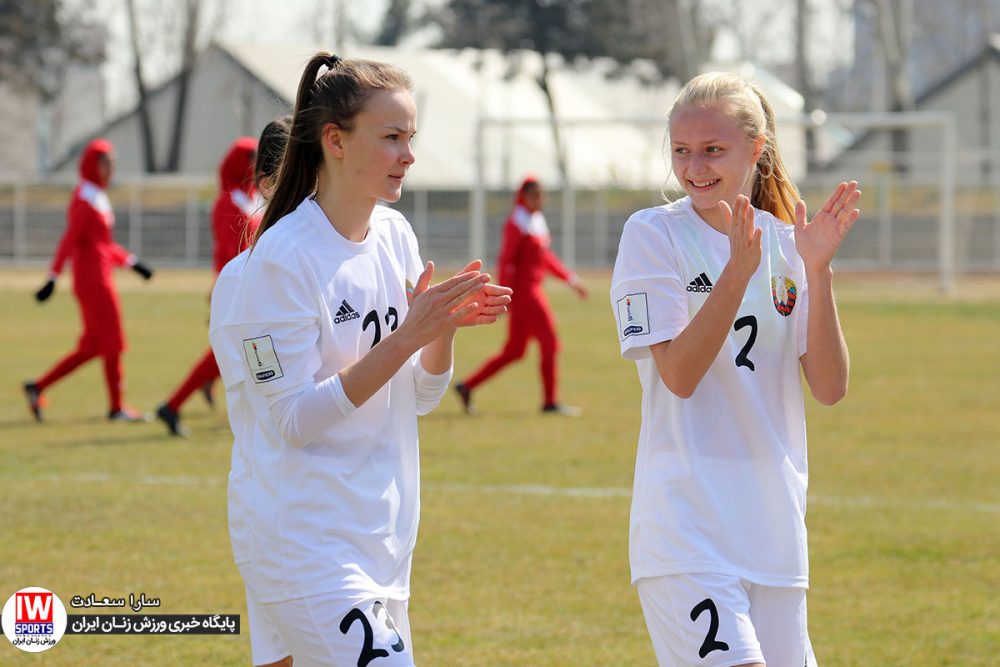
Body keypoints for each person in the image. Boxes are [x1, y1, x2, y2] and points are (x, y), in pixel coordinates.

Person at [209, 53, 511, 666]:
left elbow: (422, 397)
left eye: (411, 138)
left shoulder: (395, 237)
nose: (408, 154)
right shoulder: (279, 261)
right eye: (392, 137)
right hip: (306, 540)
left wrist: (440, 330)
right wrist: (404, 336)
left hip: (380, 539)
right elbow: (293, 419)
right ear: (335, 141)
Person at [609, 72, 860, 667]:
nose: (694, 167)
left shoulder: (789, 244)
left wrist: (818, 273)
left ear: (758, 148)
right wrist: (734, 276)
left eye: (712, 150)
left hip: (774, 534)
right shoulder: (652, 234)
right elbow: (680, 375)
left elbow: (829, 387)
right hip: (687, 531)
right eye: (681, 151)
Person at [210, 116, 293, 667]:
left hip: (352, 515)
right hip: (281, 511)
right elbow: (280, 405)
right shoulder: (246, 278)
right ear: (267, 181)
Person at [24, 138, 154, 422]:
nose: (111, 167)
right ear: (91, 164)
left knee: (92, 347)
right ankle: (116, 408)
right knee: (114, 342)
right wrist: (52, 277)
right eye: (105, 162)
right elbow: (70, 239)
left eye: (113, 162)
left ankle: (37, 387)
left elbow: (104, 245)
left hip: (100, 276)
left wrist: (133, 263)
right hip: (93, 281)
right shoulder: (85, 197)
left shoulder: (97, 195)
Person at [453, 176, 588, 416]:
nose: (540, 200)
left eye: (541, 195)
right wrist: (507, 297)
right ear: (523, 196)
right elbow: (506, 262)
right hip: (525, 293)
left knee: (515, 351)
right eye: (535, 195)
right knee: (550, 343)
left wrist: (571, 280)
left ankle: (467, 386)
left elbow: (545, 258)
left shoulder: (534, 220)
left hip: (531, 291)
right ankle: (550, 401)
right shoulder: (517, 222)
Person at [155, 136, 261, 436]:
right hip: (239, 287)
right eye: (249, 158)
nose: (254, 165)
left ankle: (178, 402)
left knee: (236, 348)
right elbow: (233, 253)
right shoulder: (228, 203)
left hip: (247, 285)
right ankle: (173, 405)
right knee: (232, 348)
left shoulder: (248, 199)